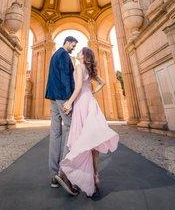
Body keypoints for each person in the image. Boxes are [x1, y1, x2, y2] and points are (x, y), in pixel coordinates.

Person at [59, 47, 119, 198]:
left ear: (84, 56)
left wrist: (69, 102)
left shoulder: (79, 67)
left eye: (80, 52)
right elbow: (102, 82)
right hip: (90, 102)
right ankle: (94, 176)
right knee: (93, 142)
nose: (78, 53)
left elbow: (78, 87)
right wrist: (92, 92)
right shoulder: (89, 69)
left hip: (81, 103)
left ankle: (76, 176)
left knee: (82, 139)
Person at [45, 36, 78, 195]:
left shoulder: (54, 54)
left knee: (55, 133)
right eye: (73, 44)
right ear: (67, 42)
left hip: (53, 95)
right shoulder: (64, 54)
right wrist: (69, 101)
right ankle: (62, 173)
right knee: (71, 128)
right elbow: (65, 77)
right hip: (63, 96)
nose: (74, 47)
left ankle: (53, 176)